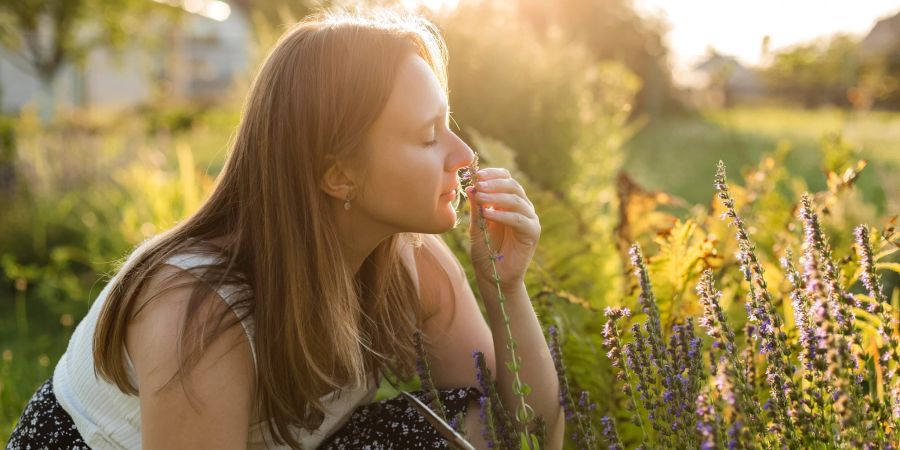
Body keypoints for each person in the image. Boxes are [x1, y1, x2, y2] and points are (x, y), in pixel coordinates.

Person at [7, 7, 563, 449]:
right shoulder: (202, 317)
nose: (463, 155)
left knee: (453, 428)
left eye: (450, 126)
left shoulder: (413, 264)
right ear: (337, 174)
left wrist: (504, 289)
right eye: (427, 137)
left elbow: (527, 436)